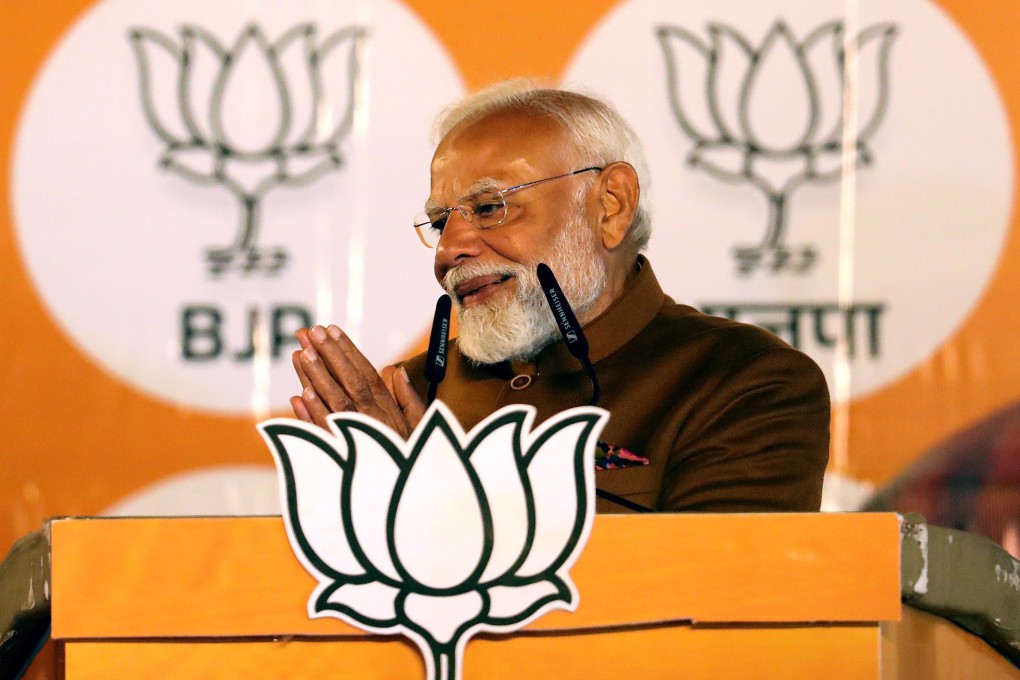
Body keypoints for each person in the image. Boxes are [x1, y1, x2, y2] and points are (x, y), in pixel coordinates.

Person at [290, 80, 830, 513]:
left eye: (488, 208)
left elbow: (718, 615)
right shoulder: (411, 395)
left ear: (611, 205)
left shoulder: (745, 382)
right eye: (438, 222)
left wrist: (433, 508)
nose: (449, 249)